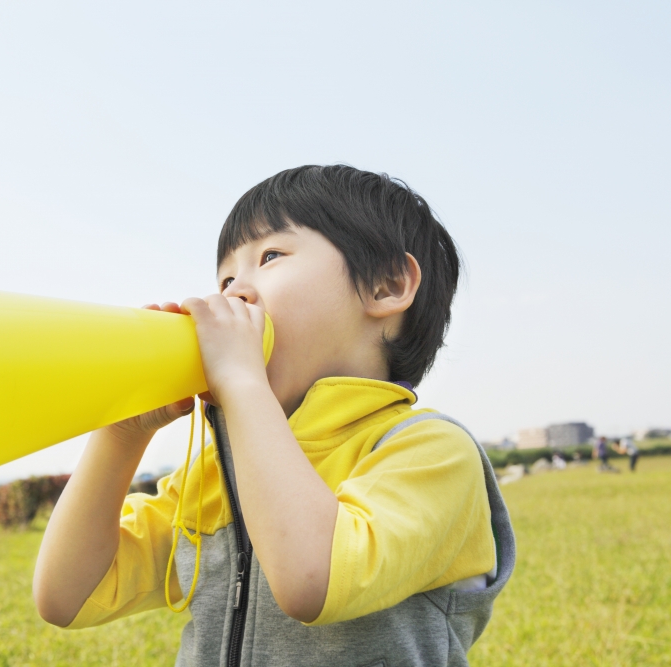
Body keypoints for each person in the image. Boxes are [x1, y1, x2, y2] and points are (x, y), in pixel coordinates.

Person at [33, 166, 515, 666]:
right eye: (225, 278)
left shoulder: (428, 451)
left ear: (386, 285)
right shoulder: (214, 476)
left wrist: (243, 384)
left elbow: (313, 580)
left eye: (270, 256)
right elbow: (67, 597)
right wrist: (120, 435)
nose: (233, 294)